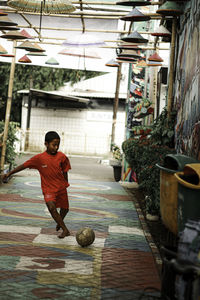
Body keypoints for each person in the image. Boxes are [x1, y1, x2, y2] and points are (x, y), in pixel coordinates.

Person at [1, 131, 71, 239]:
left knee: (65, 209)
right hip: (48, 189)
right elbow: (24, 165)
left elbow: (65, 169)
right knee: (51, 208)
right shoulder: (39, 158)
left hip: (61, 187)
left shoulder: (62, 157)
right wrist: (9, 173)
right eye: (54, 145)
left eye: (58, 145)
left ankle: (59, 222)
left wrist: (66, 182)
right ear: (46, 144)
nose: (56, 147)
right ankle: (65, 230)